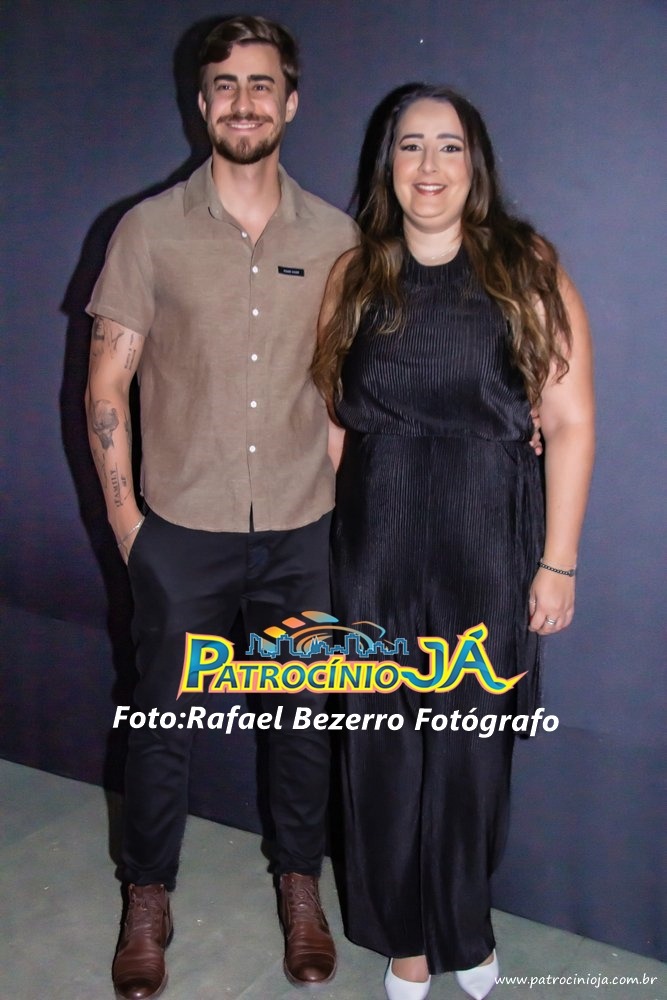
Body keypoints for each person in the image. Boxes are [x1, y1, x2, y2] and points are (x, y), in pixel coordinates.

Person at [85, 16, 357, 999]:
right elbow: (106, 384)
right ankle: (147, 894)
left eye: (261, 84)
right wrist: (131, 527)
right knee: (159, 723)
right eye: (225, 86)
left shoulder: (336, 237)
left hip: (300, 530)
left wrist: (332, 505)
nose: (244, 102)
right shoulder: (148, 230)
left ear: (291, 101)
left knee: (303, 722)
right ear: (201, 104)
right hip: (182, 532)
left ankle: (299, 884)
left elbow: (341, 385)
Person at [312, 84, 594, 1000]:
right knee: (381, 749)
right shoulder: (354, 275)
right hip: (378, 540)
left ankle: (463, 930)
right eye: (409, 146)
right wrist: (339, 540)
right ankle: (404, 941)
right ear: (386, 164)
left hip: (485, 540)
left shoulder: (524, 265)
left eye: (448, 146)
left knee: (471, 751)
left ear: (475, 164)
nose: (428, 166)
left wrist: (556, 561)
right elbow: (335, 423)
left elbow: (570, 420)